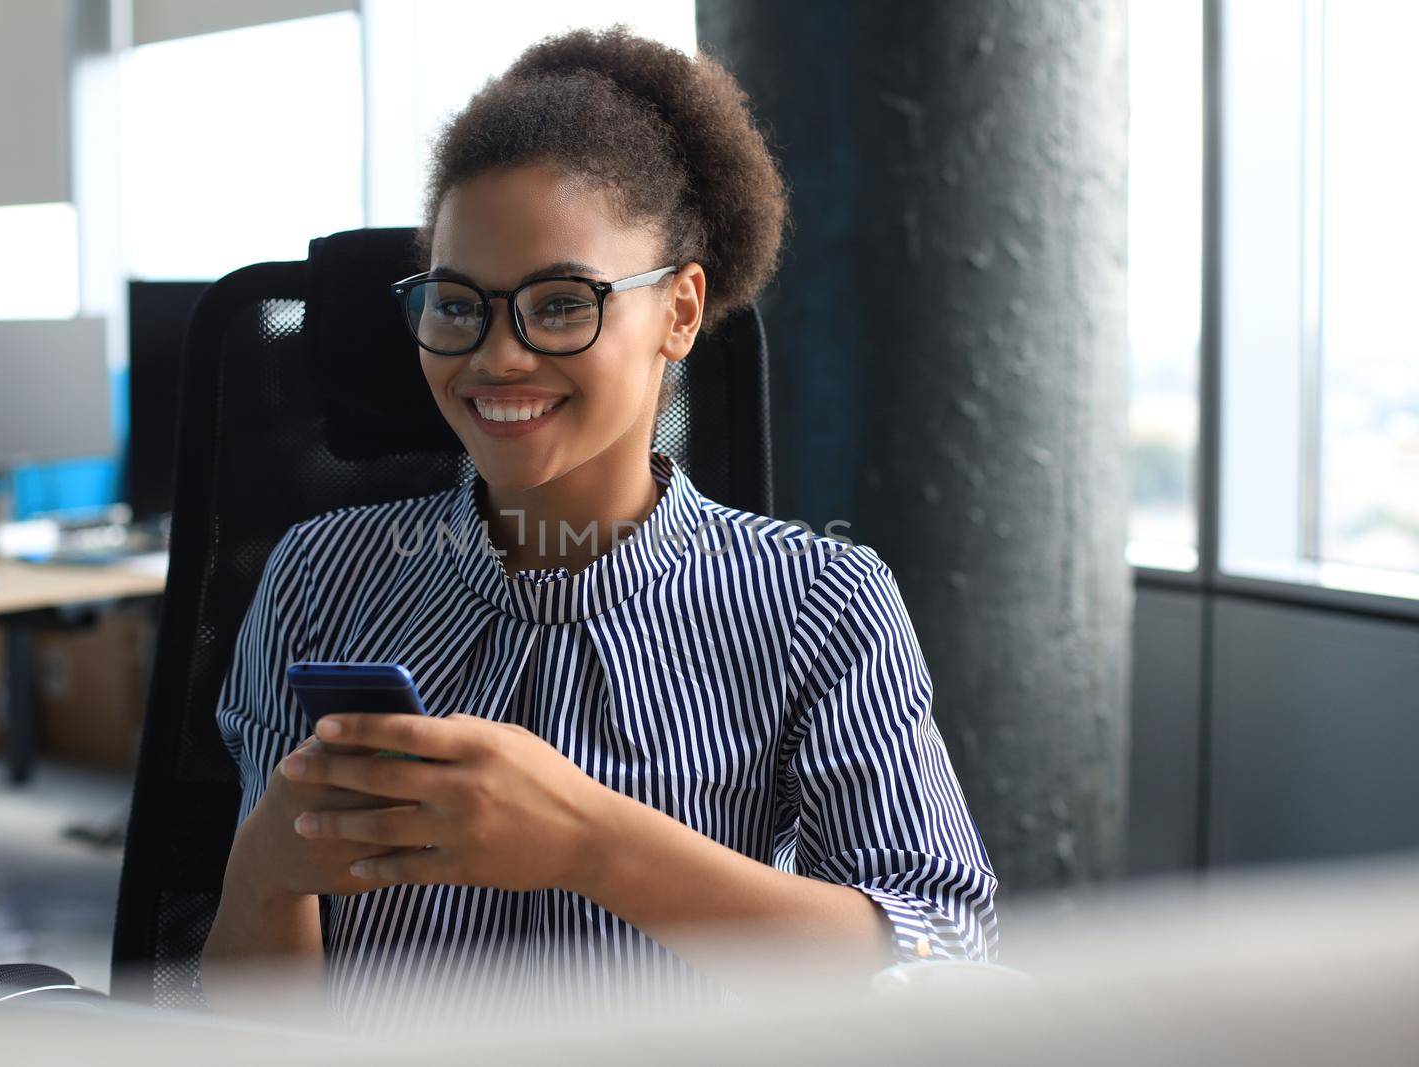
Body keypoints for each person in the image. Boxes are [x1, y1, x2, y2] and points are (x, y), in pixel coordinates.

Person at [198, 24, 998, 1033]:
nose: (496, 357)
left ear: (677, 311)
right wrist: (266, 873)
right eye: (457, 305)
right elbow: (241, 1032)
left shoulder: (821, 604)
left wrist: (593, 843)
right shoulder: (319, 579)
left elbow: (942, 953)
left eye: (561, 303)